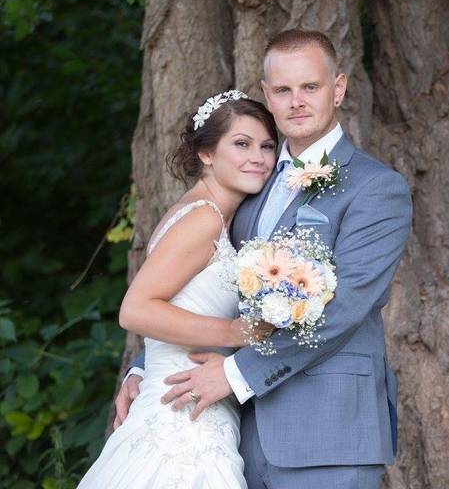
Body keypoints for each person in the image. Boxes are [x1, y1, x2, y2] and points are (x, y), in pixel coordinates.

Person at [116, 29, 413, 489]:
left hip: (326, 433)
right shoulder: (250, 186)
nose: (297, 101)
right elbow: (213, 291)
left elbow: (346, 307)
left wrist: (235, 374)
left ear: (338, 89)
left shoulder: (376, 189)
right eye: (283, 90)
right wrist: (151, 364)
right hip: (236, 433)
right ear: (267, 96)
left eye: (310, 87)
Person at [79, 92, 279, 488]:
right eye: (241, 144)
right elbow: (135, 311)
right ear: (206, 153)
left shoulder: (214, 215)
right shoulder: (202, 218)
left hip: (195, 401)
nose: (258, 157)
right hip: (182, 415)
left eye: (267, 146)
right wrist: (238, 332)